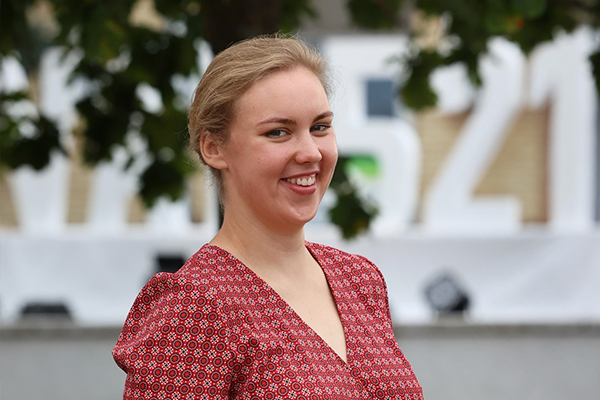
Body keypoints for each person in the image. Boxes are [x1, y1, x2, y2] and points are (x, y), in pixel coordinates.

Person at [113, 34, 423, 399]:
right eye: (278, 132)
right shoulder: (194, 307)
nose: (311, 152)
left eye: (320, 127)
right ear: (214, 148)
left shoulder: (359, 280)